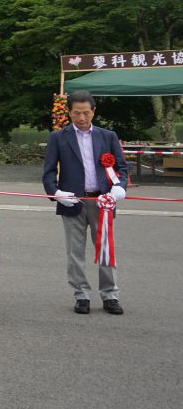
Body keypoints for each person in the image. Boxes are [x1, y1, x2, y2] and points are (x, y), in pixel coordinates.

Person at [41, 90, 129, 315]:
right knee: (75, 252)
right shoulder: (58, 137)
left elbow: (121, 168)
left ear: (94, 112)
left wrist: (119, 187)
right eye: (77, 113)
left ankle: (110, 295)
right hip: (72, 201)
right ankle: (81, 295)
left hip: (102, 201)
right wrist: (56, 193)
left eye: (86, 113)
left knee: (106, 250)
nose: (82, 118)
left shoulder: (107, 136)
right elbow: (49, 172)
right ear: (69, 112)